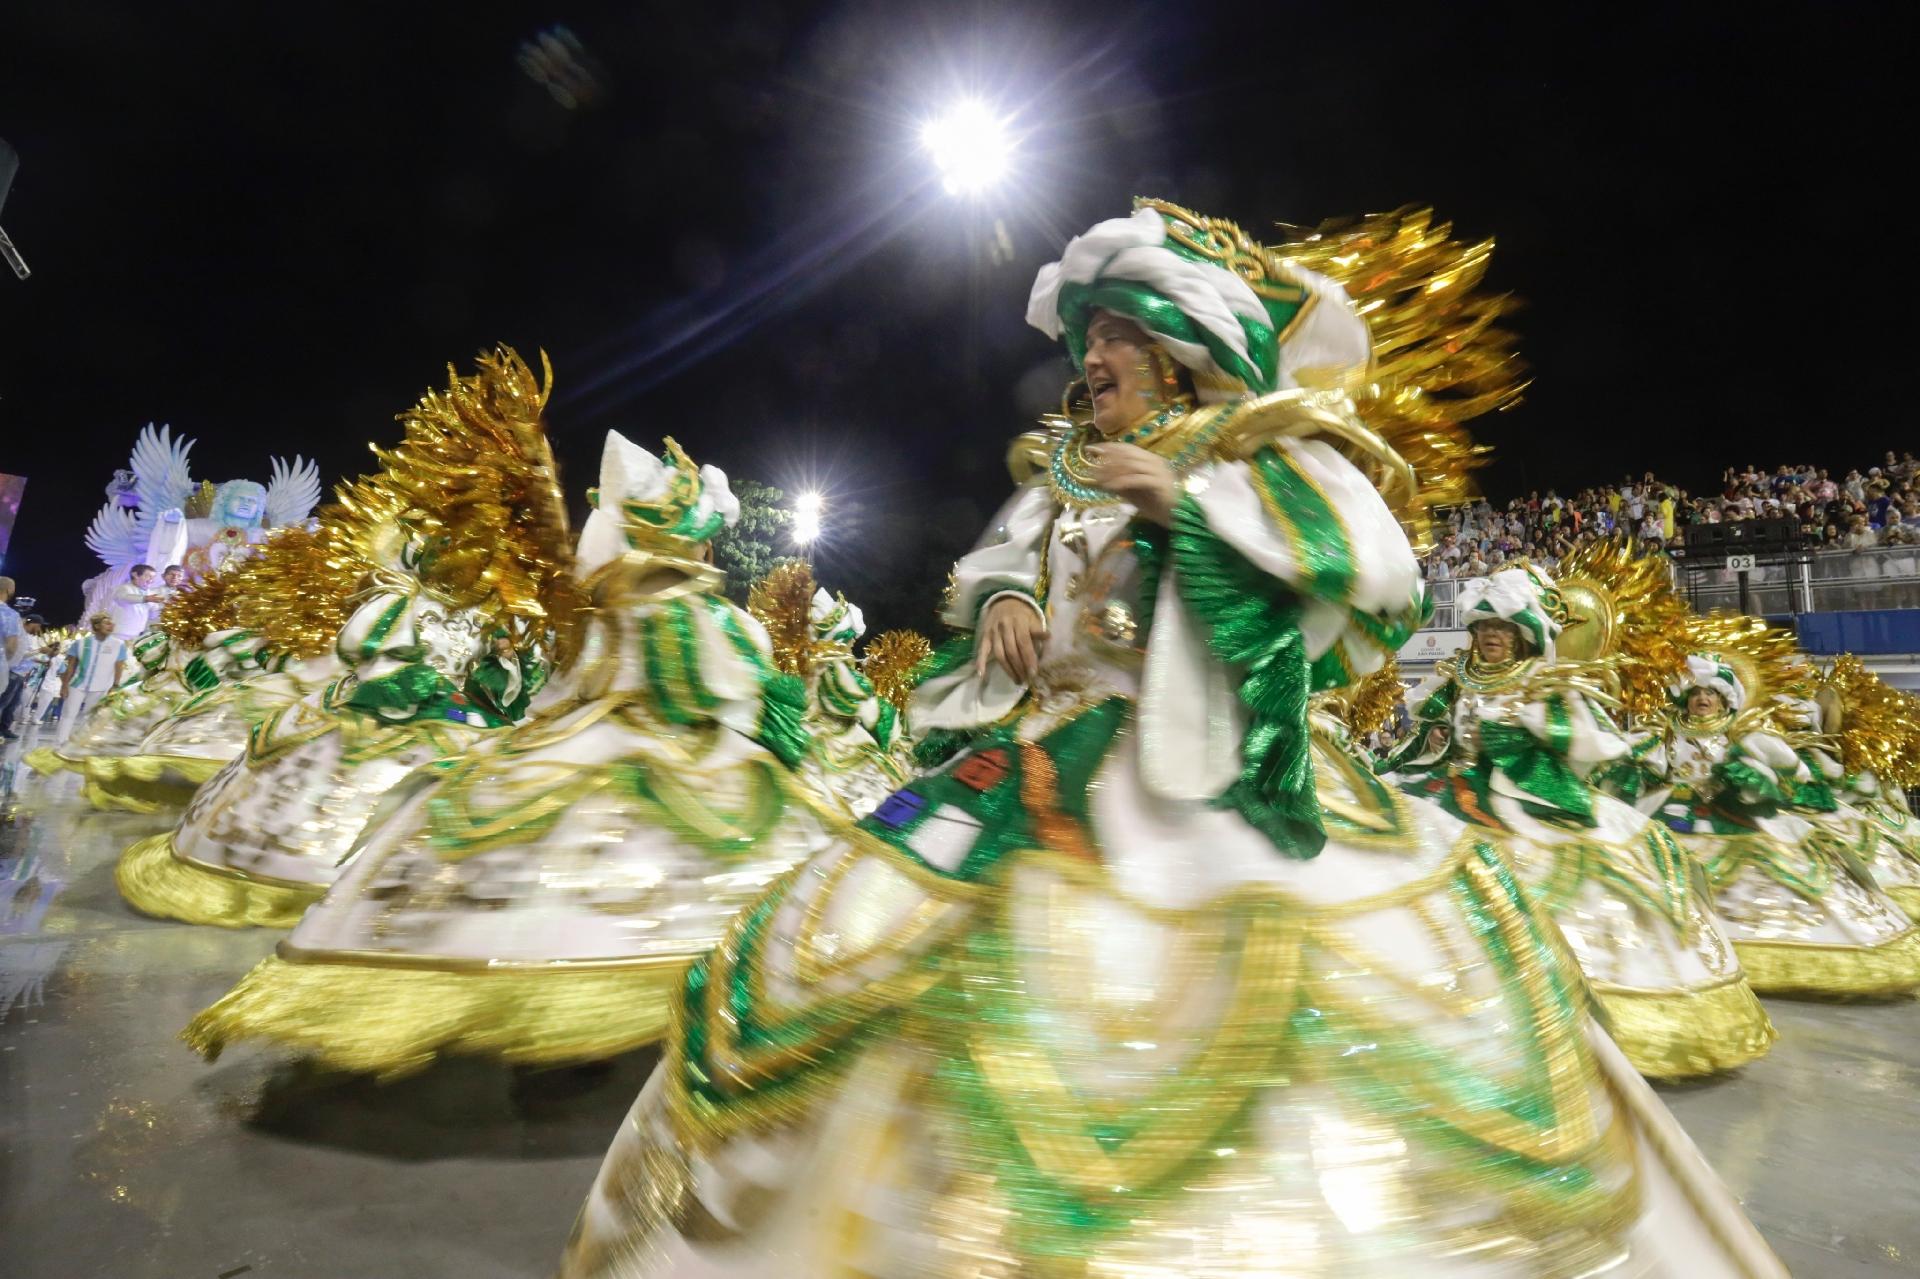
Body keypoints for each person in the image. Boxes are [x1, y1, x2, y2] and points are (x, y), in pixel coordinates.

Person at [557, 202, 1784, 1277]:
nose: (1091, 370)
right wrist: (1006, 599)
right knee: (876, 947)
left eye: (1114, 349)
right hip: (1051, 760)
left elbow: (1365, 574)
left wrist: (1188, 508)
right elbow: (999, 554)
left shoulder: (1255, 457)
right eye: (1085, 353)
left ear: (1181, 359)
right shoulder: (1066, 476)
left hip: (1213, 773)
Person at [185, 434, 840, 1076]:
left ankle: (560, 1011)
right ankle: (596, 1010)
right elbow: (704, 686)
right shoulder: (695, 613)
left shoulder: (631, 606)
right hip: (657, 746)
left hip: (592, 735)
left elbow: (581, 681)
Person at [1377, 565, 1771, 1078]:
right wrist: (1433, 744)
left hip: (1527, 797)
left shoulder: (1549, 682)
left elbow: (1592, 744)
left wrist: (1529, 727)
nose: (1492, 637)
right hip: (1452, 787)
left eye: (1504, 629)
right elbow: (1434, 728)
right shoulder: (1455, 674)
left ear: (1524, 637)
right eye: (1484, 628)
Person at [1613, 653, 1920, 996]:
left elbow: (1790, 766)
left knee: (1778, 861)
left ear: (1724, 699)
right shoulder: (1666, 731)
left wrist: (1753, 778)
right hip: (1675, 810)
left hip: (1731, 811)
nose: (1702, 699)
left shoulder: (1741, 731)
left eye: (1710, 693)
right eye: (1697, 692)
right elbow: (1640, 761)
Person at [53, 614, 129, 745]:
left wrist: (115, 685)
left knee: (90, 717)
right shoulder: (81, 643)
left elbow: (119, 666)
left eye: (111, 623)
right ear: (96, 626)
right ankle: (60, 743)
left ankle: (80, 744)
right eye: (107, 623)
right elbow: (70, 666)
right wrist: (64, 685)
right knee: (68, 714)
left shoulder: (118, 645)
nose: (111, 626)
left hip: (101, 687)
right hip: (77, 685)